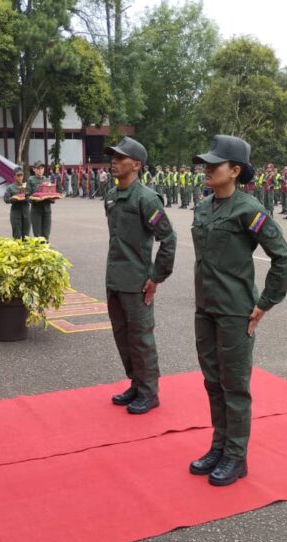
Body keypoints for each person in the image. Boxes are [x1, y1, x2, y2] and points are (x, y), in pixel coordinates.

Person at [189, 135, 287, 486]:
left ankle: (236, 456)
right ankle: (219, 446)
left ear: (234, 171)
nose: (207, 169)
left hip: (235, 311)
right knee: (213, 382)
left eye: (214, 164)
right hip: (206, 308)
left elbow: (283, 257)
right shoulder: (204, 207)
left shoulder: (249, 209)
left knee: (234, 386)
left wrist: (265, 302)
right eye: (206, 163)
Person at [103, 137, 177, 415]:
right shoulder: (111, 195)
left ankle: (149, 392)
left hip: (137, 282)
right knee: (122, 336)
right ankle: (136, 383)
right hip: (114, 279)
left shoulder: (146, 198)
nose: (114, 162)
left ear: (136, 165)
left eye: (120, 158)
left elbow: (168, 239)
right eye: (113, 157)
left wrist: (156, 277)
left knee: (141, 338)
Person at [28, 161, 55, 240]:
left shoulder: (47, 180)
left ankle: (46, 251)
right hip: (36, 211)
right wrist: (34, 199)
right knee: (38, 235)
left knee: (46, 234)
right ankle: (39, 251)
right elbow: (27, 196)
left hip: (47, 210)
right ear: (34, 169)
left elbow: (51, 194)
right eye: (38, 168)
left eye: (42, 168)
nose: (40, 170)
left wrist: (53, 199)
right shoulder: (31, 180)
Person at [3, 166, 31, 239]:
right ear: (14, 176)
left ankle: (26, 250)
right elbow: (6, 199)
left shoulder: (27, 186)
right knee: (17, 235)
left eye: (21, 175)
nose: (20, 177)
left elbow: (31, 198)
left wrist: (28, 198)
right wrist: (13, 199)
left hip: (26, 213)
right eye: (18, 175)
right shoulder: (10, 187)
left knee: (26, 236)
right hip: (16, 213)